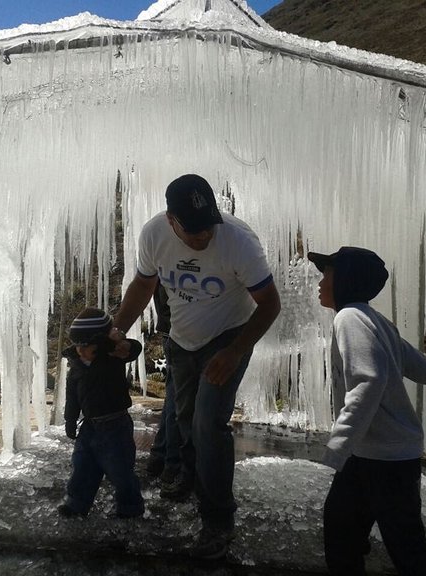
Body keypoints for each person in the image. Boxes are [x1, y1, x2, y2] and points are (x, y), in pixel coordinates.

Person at [110, 173, 281, 559]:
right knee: (185, 419)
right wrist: (117, 328)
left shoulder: (239, 242)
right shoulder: (154, 235)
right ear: (172, 220)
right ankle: (187, 474)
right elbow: (142, 285)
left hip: (228, 338)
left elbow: (270, 304)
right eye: (194, 231)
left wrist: (236, 351)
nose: (204, 237)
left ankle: (218, 520)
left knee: (208, 423)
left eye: (209, 228)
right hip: (182, 341)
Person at [308, 246, 426, 576]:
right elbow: (414, 363)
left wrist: (337, 448)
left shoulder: (350, 318)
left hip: (381, 459)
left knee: (401, 545)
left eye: (326, 274)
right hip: (382, 455)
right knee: (348, 532)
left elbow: (369, 381)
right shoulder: (374, 320)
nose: (319, 282)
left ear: (346, 281)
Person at [58, 307, 145, 520]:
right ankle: (76, 503)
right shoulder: (77, 366)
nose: (80, 350)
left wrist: (121, 344)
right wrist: (70, 419)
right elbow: (72, 397)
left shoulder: (112, 358)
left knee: (120, 471)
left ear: (100, 343)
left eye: (85, 346)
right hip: (89, 426)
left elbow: (134, 349)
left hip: (116, 426)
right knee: (82, 466)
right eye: (77, 345)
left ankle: (130, 507)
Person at [146, 281, 182, 484]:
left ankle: (160, 456)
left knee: (174, 397)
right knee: (179, 399)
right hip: (180, 331)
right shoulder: (171, 255)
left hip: (172, 328)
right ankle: (173, 464)